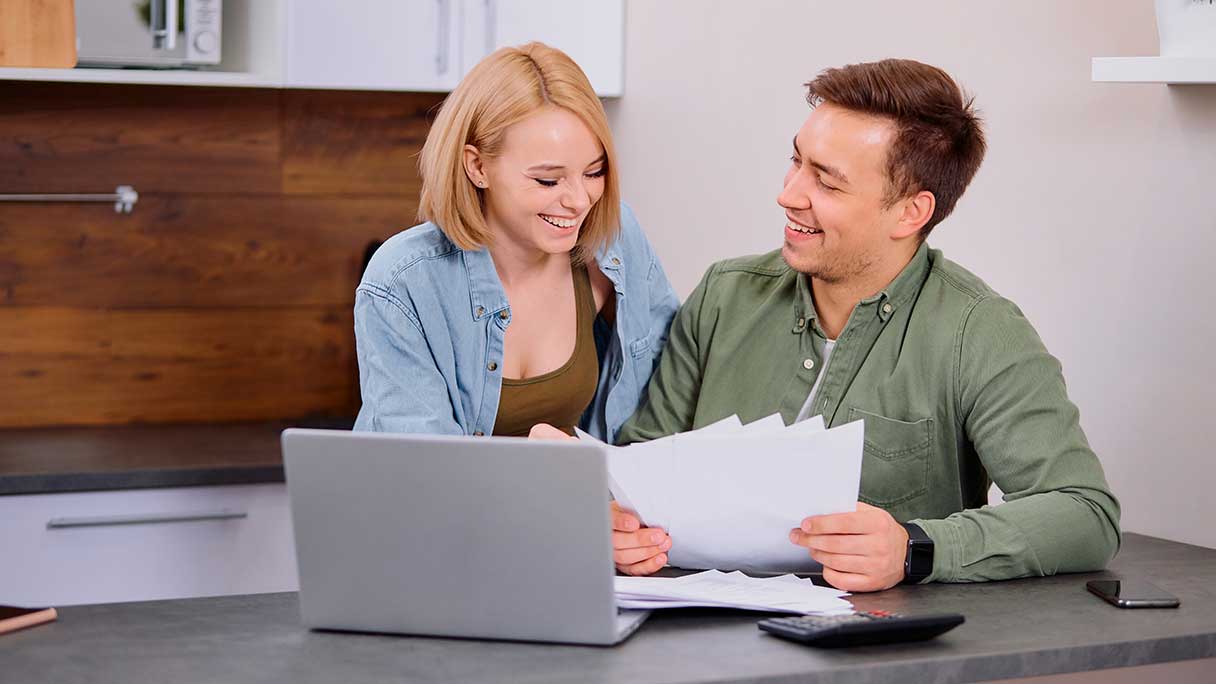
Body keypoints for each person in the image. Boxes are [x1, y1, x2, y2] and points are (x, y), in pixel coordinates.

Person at [541, 58, 1121, 588]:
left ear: (910, 211)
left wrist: (917, 547)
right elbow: (640, 464)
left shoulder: (979, 331)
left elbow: (1085, 512)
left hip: (876, 653)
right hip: (694, 640)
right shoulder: (725, 295)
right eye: (797, 160)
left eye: (827, 180)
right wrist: (618, 526)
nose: (788, 194)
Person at [352, 42, 679, 445]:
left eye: (593, 172)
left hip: (575, 504)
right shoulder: (401, 281)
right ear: (477, 166)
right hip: (443, 507)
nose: (579, 200)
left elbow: (671, 383)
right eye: (548, 180)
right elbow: (426, 470)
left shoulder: (615, 237)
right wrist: (546, 471)